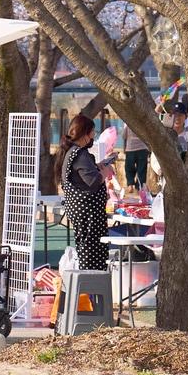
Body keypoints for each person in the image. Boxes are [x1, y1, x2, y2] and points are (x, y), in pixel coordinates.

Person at [58, 114, 109, 270]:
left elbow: (82, 176)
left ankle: (89, 288)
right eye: (93, 132)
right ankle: (90, 288)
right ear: (86, 133)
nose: (94, 135)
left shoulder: (72, 152)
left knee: (86, 249)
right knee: (92, 252)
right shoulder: (80, 154)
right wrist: (105, 173)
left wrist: (97, 166)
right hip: (88, 212)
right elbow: (93, 181)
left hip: (81, 211)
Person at [122, 119, 149, 190]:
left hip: (130, 148)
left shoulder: (128, 123)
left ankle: (130, 184)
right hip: (143, 148)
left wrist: (124, 148)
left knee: (129, 167)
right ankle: (140, 186)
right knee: (142, 168)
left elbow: (124, 136)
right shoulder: (145, 123)